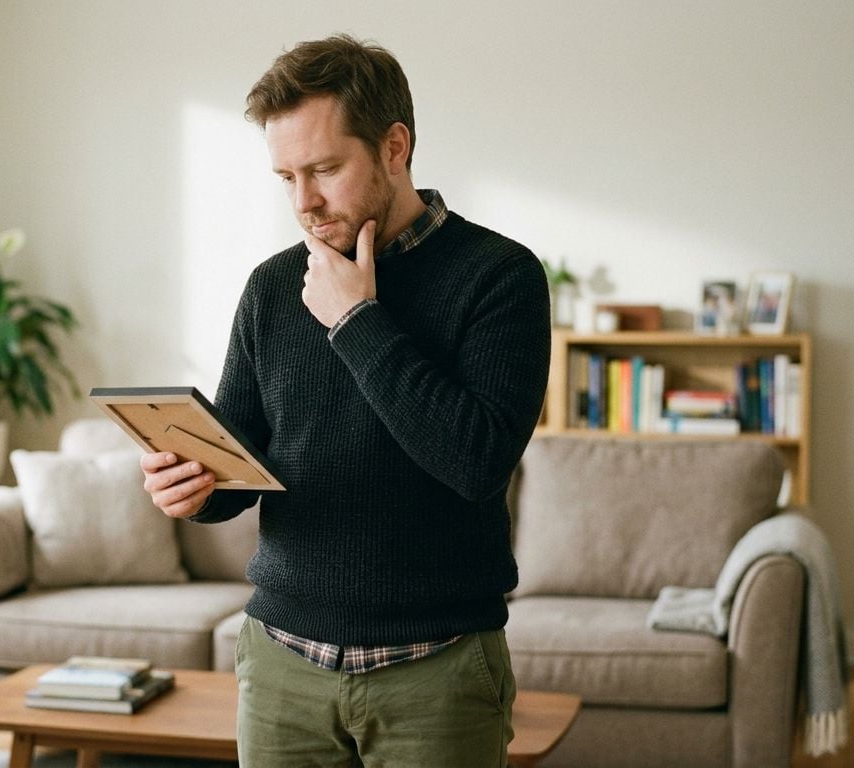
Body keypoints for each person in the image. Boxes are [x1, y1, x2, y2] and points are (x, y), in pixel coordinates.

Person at [140, 34, 550, 767]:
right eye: (286, 176)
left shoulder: (500, 278)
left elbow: (476, 461)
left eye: (326, 168)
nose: (304, 201)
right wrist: (193, 488)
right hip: (281, 665)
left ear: (395, 146)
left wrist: (359, 323)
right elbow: (241, 462)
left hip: (438, 667)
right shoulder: (272, 288)